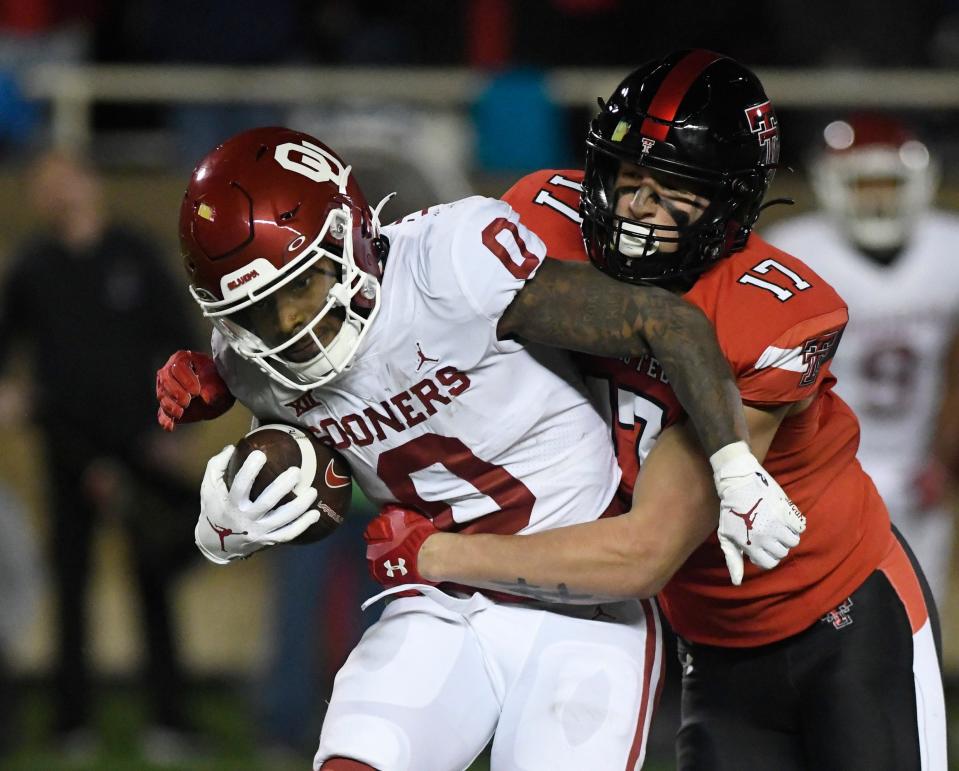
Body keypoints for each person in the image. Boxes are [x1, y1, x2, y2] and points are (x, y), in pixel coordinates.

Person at [360, 51, 948, 770]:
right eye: (626, 176)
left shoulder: (767, 310)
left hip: (846, 618)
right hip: (711, 637)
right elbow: (396, 285)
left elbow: (648, 547)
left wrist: (435, 553)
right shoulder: (534, 218)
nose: (637, 205)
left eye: (674, 187)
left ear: (730, 201)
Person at [159, 124, 803, 769]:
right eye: (256, 313)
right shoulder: (249, 361)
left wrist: (736, 469)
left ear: (348, 230)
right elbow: (315, 476)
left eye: (299, 288)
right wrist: (232, 524)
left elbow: (665, 322)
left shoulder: (452, 263)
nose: (289, 327)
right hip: (437, 605)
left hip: (584, 606)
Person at [0, 150, 204, 759]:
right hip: (68, 448)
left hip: (139, 445)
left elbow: (180, 341)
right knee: (71, 580)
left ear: (89, 182)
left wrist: (177, 426)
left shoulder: (134, 255)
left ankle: (169, 720)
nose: (54, 193)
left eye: (63, 179)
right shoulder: (34, 266)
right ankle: (71, 723)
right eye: (43, 184)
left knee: (154, 581)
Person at [763, 113, 959, 608]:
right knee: (825, 620)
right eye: (862, 183)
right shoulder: (796, 252)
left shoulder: (948, 246)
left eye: (888, 183)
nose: (875, 197)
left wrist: (946, 453)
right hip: (824, 469)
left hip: (919, 471)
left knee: (918, 617)